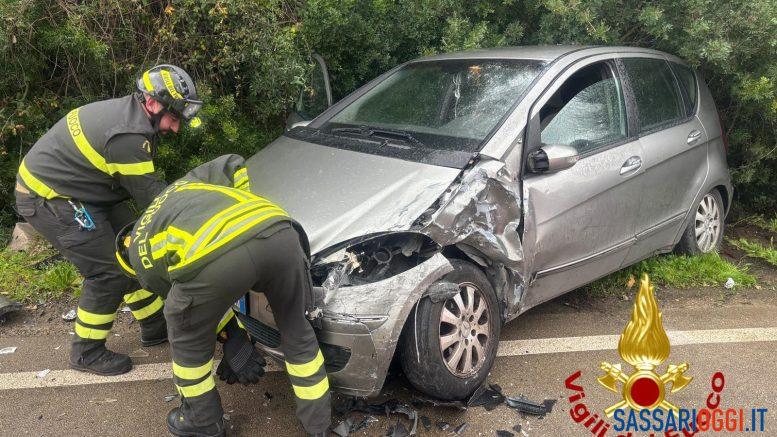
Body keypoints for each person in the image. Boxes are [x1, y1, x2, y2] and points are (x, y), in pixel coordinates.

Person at [115, 155, 331, 437]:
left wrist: (231, 337)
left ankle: (202, 421)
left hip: (218, 254)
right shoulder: (177, 191)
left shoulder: (139, 255)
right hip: (277, 227)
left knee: (186, 339)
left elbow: (193, 313)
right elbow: (233, 163)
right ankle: (318, 426)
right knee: (297, 330)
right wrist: (243, 211)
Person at [14, 65, 203, 375]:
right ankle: (86, 352)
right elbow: (157, 202)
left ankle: (154, 323)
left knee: (131, 245)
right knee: (107, 272)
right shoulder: (128, 137)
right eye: (173, 117)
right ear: (152, 102)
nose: (176, 128)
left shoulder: (133, 116)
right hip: (50, 197)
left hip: (82, 189)